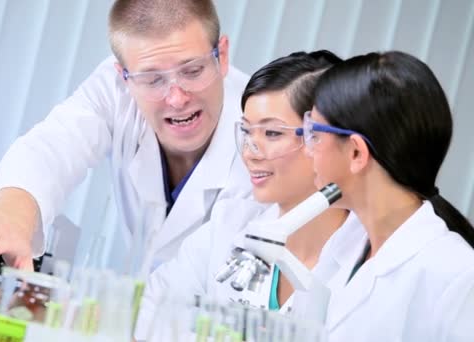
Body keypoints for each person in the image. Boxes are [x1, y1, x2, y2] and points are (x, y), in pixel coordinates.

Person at [0, 0, 252, 272]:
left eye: (192, 71)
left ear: (222, 55)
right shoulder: (114, 90)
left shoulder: (264, 128)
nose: (176, 98)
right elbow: (52, 147)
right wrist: (12, 218)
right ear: (124, 77)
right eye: (152, 79)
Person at [135, 50, 361, 339]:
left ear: (326, 139)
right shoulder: (229, 225)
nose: (249, 153)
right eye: (246, 132)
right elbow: (147, 316)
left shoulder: (366, 263)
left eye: (271, 133)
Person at [304, 51, 474, 341]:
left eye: (315, 135)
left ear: (356, 152)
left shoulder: (457, 274)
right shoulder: (347, 243)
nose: (308, 150)